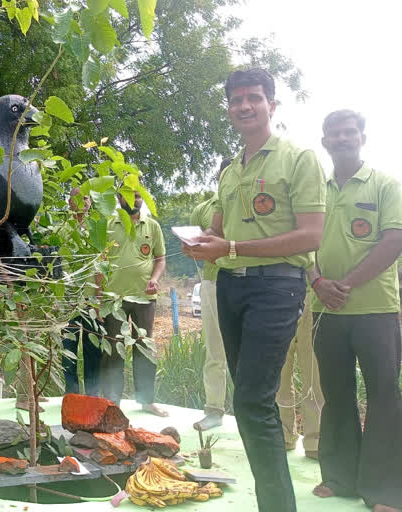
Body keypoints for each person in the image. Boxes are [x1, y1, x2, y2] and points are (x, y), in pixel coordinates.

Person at [185, 68, 326, 512]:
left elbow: (311, 235)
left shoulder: (298, 158)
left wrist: (230, 246)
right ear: (228, 108)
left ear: (272, 105)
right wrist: (204, 244)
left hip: (277, 287)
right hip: (230, 287)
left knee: (252, 400)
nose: (244, 106)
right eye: (236, 100)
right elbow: (219, 228)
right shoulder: (233, 169)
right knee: (248, 401)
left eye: (254, 98)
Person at [309, 110, 402, 512]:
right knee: (337, 394)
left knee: (383, 395)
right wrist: (317, 282)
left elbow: (394, 239)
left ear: (362, 137)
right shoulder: (315, 189)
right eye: (335, 134)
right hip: (325, 310)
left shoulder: (385, 185)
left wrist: (345, 284)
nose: (343, 138)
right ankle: (340, 477)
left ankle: (383, 490)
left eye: (350, 132)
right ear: (325, 141)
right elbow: (301, 242)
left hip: (376, 309)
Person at [100, 191, 168, 416]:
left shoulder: (153, 226)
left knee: (144, 347)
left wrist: (155, 279)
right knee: (113, 350)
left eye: (138, 195)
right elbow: (99, 261)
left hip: (145, 298)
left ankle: (147, 402)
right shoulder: (108, 225)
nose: (134, 199)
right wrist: (99, 297)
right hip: (114, 299)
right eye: (129, 195)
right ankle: (112, 404)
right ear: (119, 198)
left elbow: (160, 258)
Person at [191, 158, 231, 432]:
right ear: (218, 176)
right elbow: (195, 246)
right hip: (213, 283)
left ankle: (253, 414)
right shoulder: (203, 209)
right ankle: (214, 410)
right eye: (224, 173)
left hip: (250, 283)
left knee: (251, 354)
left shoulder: (255, 208)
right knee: (216, 351)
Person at [60, 187, 102, 396]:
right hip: (68, 301)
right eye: (77, 197)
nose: (82, 202)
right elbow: (57, 265)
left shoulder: (96, 229)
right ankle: (72, 396)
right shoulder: (61, 230)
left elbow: (102, 266)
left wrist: (100, 300)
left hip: (92, 300)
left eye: (86, 197)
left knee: (93, 350)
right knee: (68, 350)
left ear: (91, 202)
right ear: (69, 202)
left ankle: (93, 397)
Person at [275, 292, 323, 460]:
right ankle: (283, 435)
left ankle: (315, 442)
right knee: (278, 375)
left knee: (314, 376)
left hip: (313, 293)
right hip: (276, 291)